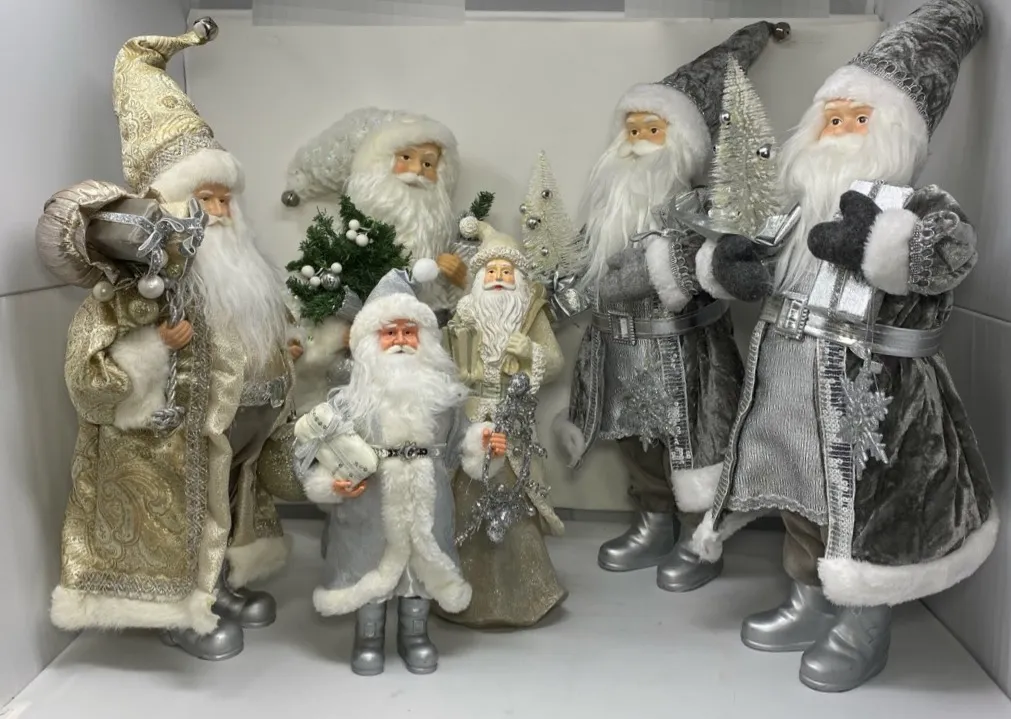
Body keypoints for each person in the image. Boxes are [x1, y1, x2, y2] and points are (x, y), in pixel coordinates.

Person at [692, 0, 997, 693]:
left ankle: (864, 625)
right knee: (802, 498)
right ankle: (807, 596)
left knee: (867, 505)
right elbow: (757, 257)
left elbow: (947, 256)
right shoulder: (799, 211)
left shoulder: (921, 208)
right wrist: (727, 266)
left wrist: (880, 244)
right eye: (831, 120)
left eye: (857, 120)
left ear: (893, 133)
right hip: (789, 390)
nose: (839, 133)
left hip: (873, 398)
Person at [40, 18, 303, 661]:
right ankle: (177, 608)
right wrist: (157, 345)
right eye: (205, 200)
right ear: (173, 205)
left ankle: (218, 586)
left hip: (231, 432)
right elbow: (90, 372)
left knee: (225, 503)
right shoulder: (139, 283)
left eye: (225, 200)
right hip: (165, 441)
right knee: (180, 514)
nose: (220, 212)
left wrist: (283, 354)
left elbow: (250, 333)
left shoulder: (242, 273)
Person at [553, 21, 788, 591]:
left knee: (693, 445)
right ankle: (653, 521)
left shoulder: (695, 207)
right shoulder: (607, 209)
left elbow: (679, 273)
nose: (637, 141)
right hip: (618, 351)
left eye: (651, 129)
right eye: (631, 128)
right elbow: (581, 264)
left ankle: (699, 538)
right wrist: (557, 286)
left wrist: (607, 282)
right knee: (633, 441)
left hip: (683, 355)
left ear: (678, 141)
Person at [296, 268, 506, 676]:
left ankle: (415, 634)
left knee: (422, 571)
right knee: (368, 564)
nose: (400, 341)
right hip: (368, 506)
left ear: (424, 340)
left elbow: (462, 447)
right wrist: (329, 483)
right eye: (389, 333)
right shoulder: (348, 402)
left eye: (409, 333)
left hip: (428, 501)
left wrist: (484, 445)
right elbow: (311, 449)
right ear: (369, 342)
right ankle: (368, 636)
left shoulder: (443, 400)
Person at [439, 220, 567, 628]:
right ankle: (461, 592)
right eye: (490, 271)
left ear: (518, 279)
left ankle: (527, 593)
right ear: (479, 279)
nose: (497, 277)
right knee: (465, 500)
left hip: (513, 423)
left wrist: (529, 351)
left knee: (514, 502)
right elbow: (444, 365)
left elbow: (555, 362)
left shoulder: (530, 316)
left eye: (505, 272)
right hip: (470, 422)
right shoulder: (465, 316)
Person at [282, 108, 469, 324]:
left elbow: (465, 306)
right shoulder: (353, 235)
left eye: (428, 163)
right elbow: (313, 283)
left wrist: (462, 278)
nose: (417, 169)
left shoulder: (444, 236)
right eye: (406, 157)